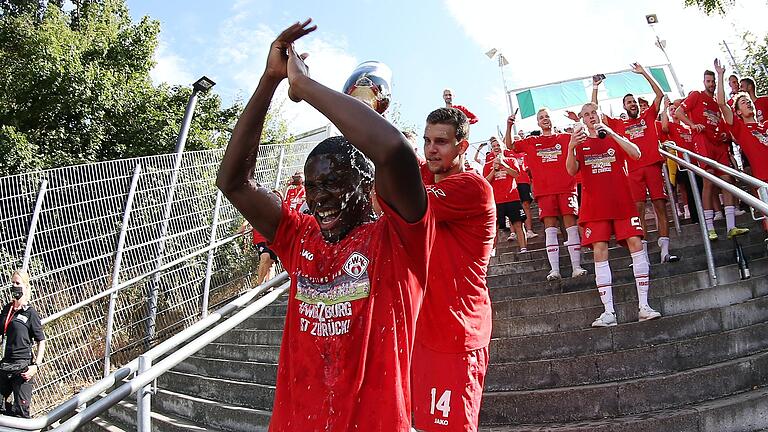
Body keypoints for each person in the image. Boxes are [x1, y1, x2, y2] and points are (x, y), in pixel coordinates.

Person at [216, 20, 435, 431]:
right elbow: (233, 182)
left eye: (334, 184)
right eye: (313, 186)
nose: (319, 199)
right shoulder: (300, 235)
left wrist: (306, 88)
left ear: (366, 185)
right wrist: (269, 80)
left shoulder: (399, 238)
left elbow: (392, 151)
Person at [412, 107, 495, 432]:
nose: (431, 149)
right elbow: (391, 157)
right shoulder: (425, 175)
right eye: (427, 140)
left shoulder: (472, 188)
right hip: (424, 330)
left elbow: (399, 200)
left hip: (457, 335)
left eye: (441, 142)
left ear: (462, 146)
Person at [566, 104, 662, 327]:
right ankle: (608, 311)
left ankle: (644, 306)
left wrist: (612, 133)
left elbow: (636, 153)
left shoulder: (613, 135)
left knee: (636, 243)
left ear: (600, 115)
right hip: (595, 206)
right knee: (599, 250)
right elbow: (571, 170)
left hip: (622, 202)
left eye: (594, 113)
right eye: (586, 115)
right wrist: (571, 145)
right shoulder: (580, 143)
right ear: (582, 119)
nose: (591, 118)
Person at [594, 63, 679, 263]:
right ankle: (644, 255)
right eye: (628, 102)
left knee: (660, 206)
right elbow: (595, 112)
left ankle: (665, 250)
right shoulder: (618, 124)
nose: (632, 104)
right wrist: (596, 87)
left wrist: (644, 74)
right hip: (631, 171)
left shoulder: (648, 116)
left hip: (652, 167)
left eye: (634, 102)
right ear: (624, 106)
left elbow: (659, 95)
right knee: (638, 210)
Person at [506, 109, 587, 280]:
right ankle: (555, 270)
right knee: (550, 230)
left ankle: (576, 267)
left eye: (547, 116)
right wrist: (509, 125)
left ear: (551, 119)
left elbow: (584, 135)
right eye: (541, 117)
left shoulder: (565, 138)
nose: (545, 119)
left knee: (571, 228)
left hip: (566, 188)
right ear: (537, 123)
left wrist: (577, 119)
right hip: (545, 192)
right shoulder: (531, 141)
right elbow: (510, 146)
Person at [676, 69, 749, 240]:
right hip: (703, 141)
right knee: (708, 181)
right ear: (704, 82)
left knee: (727, 181)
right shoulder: (696, 95)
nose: (711, 84)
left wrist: (724, 134)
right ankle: (710, 228)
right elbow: (679, 112)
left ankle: (731, 226)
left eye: (713, 81)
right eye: (708, 81)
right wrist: (692, 125)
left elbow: (721, 122)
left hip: (718, 144)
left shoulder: (717, 102)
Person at [715, 60, 768, 232]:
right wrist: (721, 75)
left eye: (748, 101)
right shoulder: (740, 128)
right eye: (743, 102)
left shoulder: (765, 125)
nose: (748, 103)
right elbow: (722, 103)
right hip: (763, 179)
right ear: (737, 111)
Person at [0, 270, 46, 418]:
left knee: (21, 412)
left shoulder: (30, 313)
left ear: (26, 287)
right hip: (6, 365)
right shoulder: (7, 310)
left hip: (23, 368)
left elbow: (41, 340)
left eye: (18, 283)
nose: (14, 286)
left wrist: (36, 366)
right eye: (12, 283)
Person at [483, 137, 527, 252]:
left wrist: (504, 165)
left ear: (503, 147)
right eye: (494, 146)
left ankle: (523, 249)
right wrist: (494, 170)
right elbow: (485, 182)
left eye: (498, 145)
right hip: (496, 201)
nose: (496, 148)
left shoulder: (511, 160)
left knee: (519, 224)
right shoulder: (488, 164)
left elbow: (517, 175)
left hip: (513, 198)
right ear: (492, 150)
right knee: (494, 228)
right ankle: (492, 251)